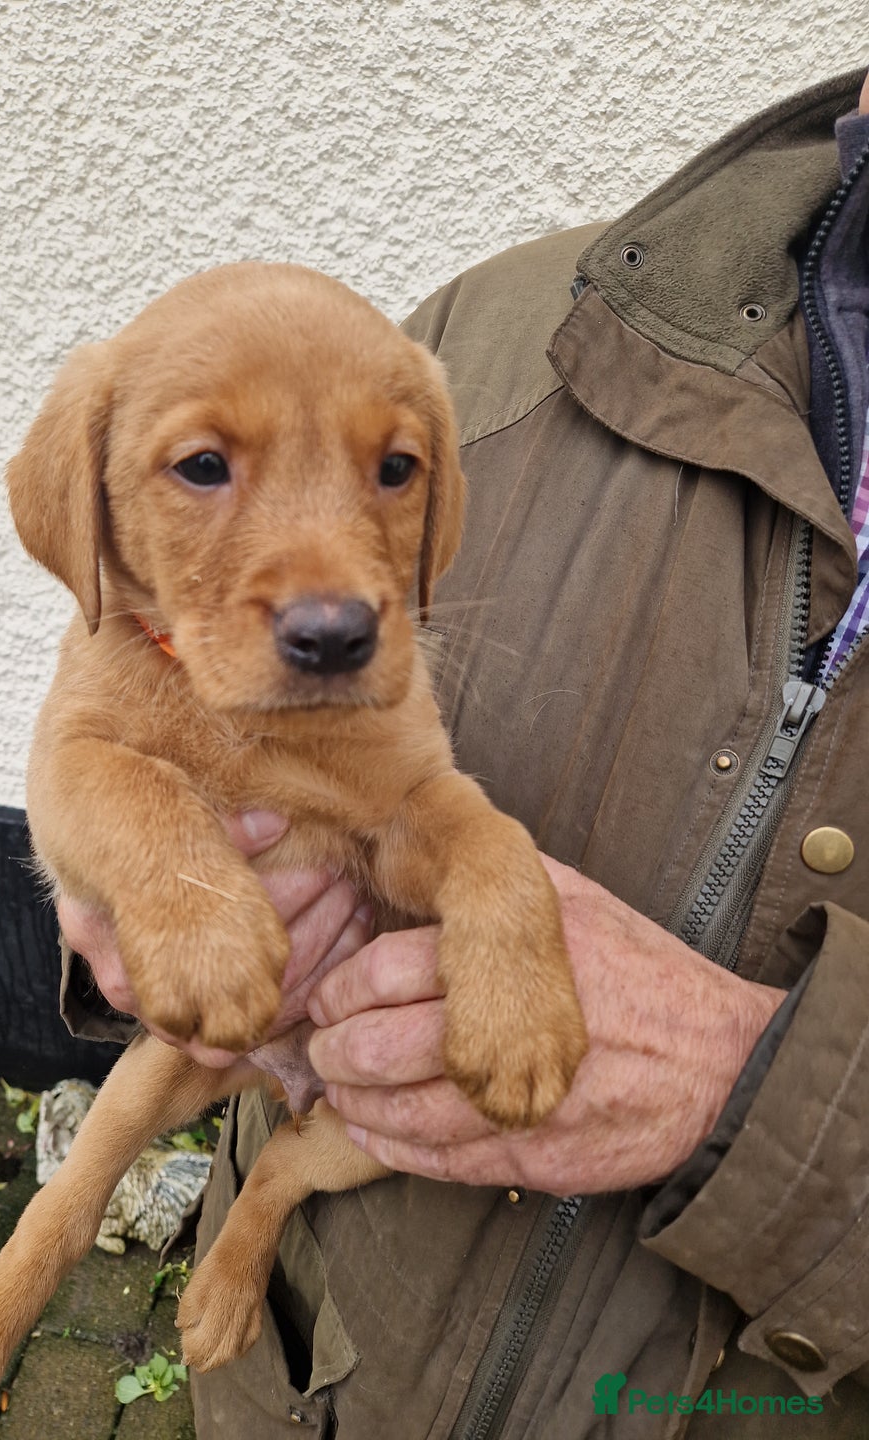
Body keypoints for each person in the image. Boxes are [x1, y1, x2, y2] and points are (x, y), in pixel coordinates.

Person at [57, 66, 869, 1437]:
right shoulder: (484, 342)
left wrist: (773, 1097)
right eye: (207, 468)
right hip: (316, 1383)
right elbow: (136, 693)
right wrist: (148, 880)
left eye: (389, 480)